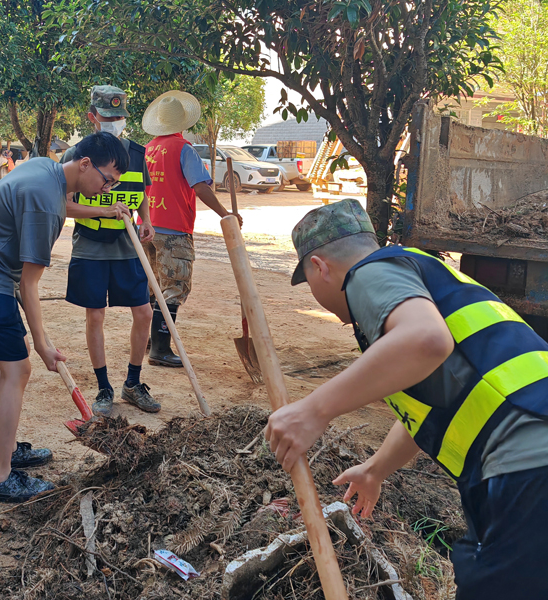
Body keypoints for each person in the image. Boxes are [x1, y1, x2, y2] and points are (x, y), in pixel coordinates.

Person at [265, 198, 548, 599]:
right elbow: (434, 405)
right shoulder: (420, 273)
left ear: (319, 268)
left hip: (528, 460)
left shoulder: (368, 273)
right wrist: (376, 470)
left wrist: (315, 409)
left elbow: (426, 340)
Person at [0, 131, 130, 503]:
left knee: (16, 365)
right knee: (18, 368)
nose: (107, 187)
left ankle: (9, 449)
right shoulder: (43, 200)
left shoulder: (47, 169)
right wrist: (44, 342)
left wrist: (106, 210)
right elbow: (30, 284)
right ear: (84, 164)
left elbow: (63, 205)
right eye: (107, 179)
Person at [61, 85, 159, 416]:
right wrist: (103, 211)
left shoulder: (137, 152)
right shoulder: (75, 156)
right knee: (96, 314)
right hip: (90, 247)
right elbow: (66, 206)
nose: (114, 122)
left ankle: (133, 383)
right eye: (108, 116)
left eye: (119, 116)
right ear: (93, 117)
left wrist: (146, 219)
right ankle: (104, 388)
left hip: (127, 244)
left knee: (144, 312)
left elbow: (141, 190)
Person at [141, 90, 241, 367]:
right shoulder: (183, 149)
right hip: (173, 229)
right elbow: (200, 187)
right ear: (183, 123)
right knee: (172, 288)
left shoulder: (149, 148)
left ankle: (150, 338)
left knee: (154, 285)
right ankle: (160, 349)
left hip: (146, 226)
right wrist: (226, 214)